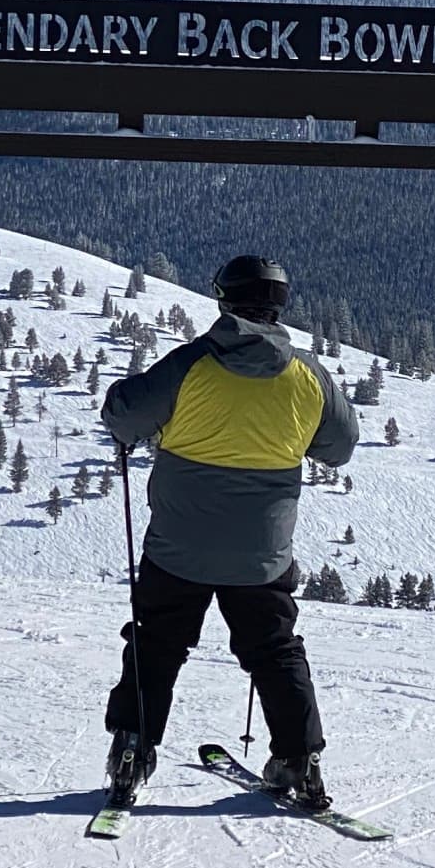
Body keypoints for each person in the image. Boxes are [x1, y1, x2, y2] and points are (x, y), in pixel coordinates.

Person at [97, 253, 357, 811]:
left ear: (223, 298)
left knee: (157, 644)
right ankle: (299, 758)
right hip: (261, 551)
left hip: (178, 545)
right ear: (279, 305)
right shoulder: (306, 375)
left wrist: (123, 395)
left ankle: (132, 750)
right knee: (274, 649)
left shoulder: (193, 363)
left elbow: (123, 417)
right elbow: (339, 447)